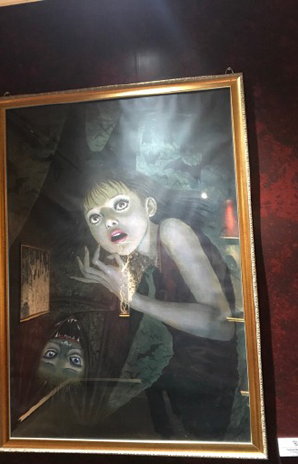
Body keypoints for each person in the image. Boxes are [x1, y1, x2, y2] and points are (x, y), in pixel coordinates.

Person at [73, 169, 238, 440]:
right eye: (95, 217)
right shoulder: (141, 259)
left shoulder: (172, 231)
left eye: (120, 204)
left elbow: (220, 326)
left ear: (149, 207)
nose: (109, 220)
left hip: (209, 381)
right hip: (184, 377)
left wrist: (133, 298)